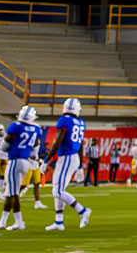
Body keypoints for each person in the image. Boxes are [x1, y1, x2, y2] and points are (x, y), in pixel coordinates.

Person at [44, 98, 93, 231]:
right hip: (73, 157)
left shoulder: (64, 120)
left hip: (67, 157)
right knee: (59, 189)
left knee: (57, 191)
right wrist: (81, 166)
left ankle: (82, 211)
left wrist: (46, 160)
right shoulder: (81, 122)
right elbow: (81, 145)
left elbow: (57, 142)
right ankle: (59, 221)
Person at [0, 106, 41, 231]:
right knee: (11, 192)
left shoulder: (15, 126)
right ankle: (3, 221)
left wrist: (9, 147)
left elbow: (4, 145)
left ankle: (19, 222)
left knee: (12, 193)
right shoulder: (36, 128)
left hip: (14, 161)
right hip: (25, 162)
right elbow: (36, 146)